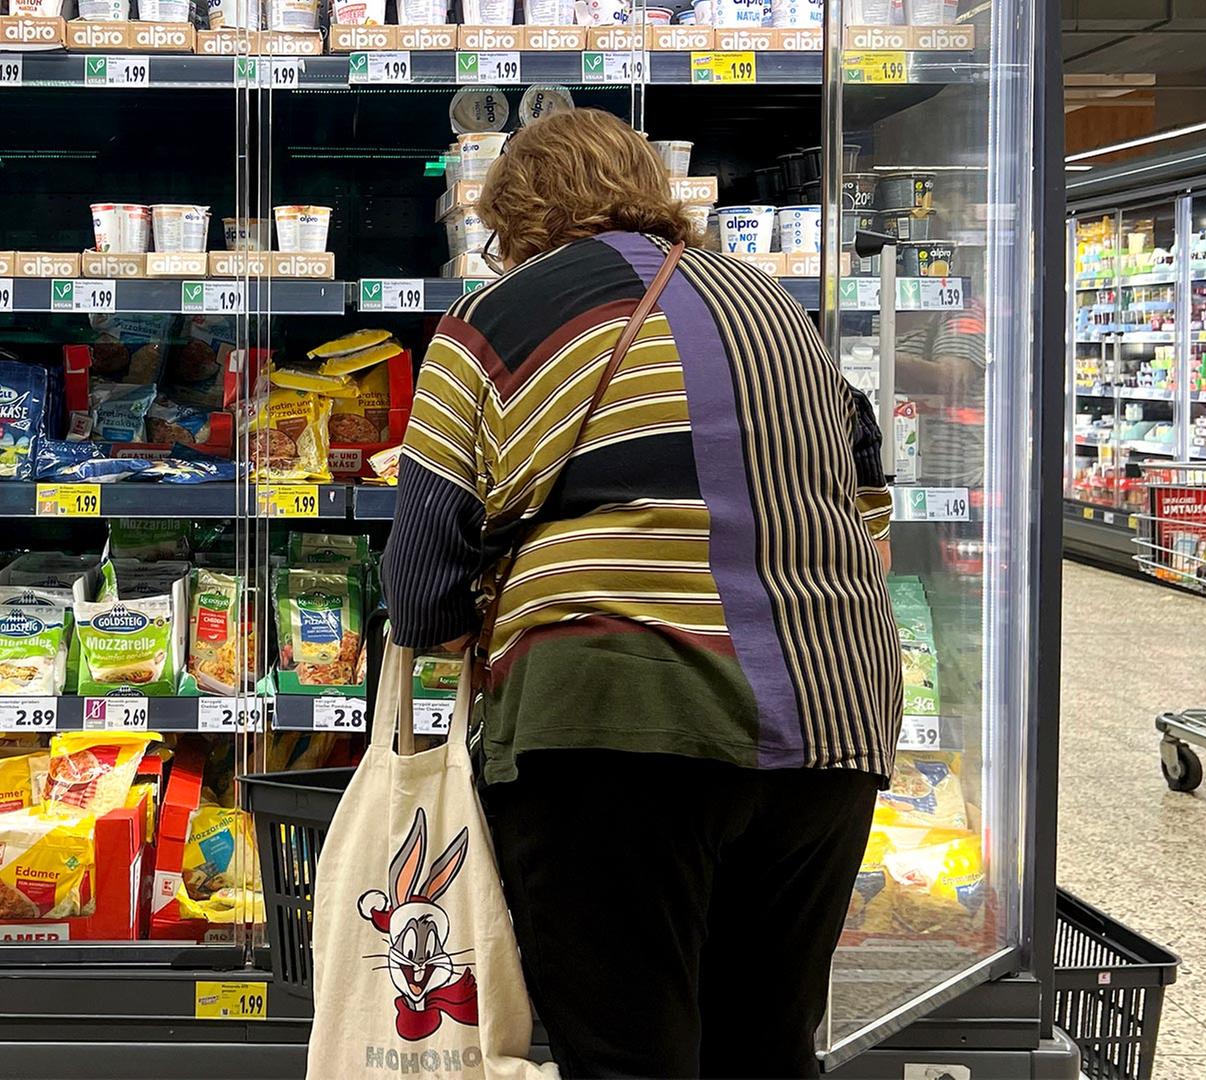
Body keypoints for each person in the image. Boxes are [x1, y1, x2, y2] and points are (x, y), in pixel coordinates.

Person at [381, 108, 902, 1079]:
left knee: (630, 1054)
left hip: (616, 717)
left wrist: (471, 614)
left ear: (512, 221)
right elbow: (870, 496)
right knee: (767, 1046)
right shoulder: (776, 304)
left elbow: (420, 581)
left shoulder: (492, 319)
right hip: (836, 713)